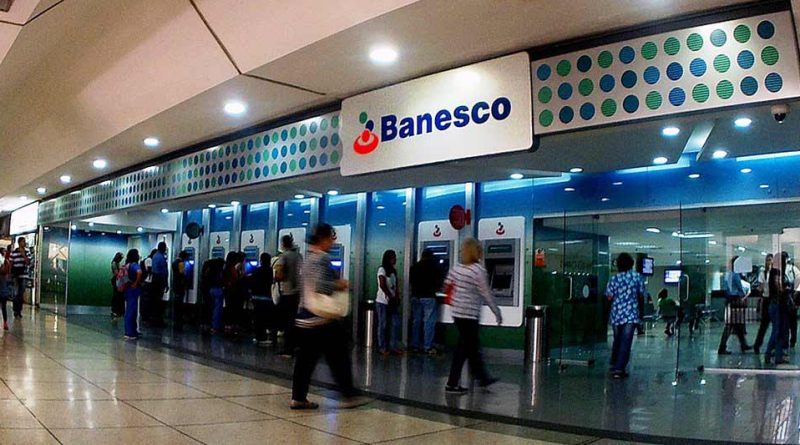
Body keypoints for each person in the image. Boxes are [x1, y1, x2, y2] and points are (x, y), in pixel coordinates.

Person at [291, 223, 368, 410]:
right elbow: (321, 285)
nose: (333, 243)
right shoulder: (322, 258)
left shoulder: (307, 258)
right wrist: (339, 284)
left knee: (305, 361)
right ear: (323, 239)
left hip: (304, 318)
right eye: (331, 239)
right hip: (320, 319)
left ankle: (298, 398)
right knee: (339, 355)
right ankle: (349, 394)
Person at [444, 237, 502, 394]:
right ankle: (473, 379)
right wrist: (496, 311)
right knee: (469, 348)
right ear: (476, 252)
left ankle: (476, 379)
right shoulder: (478, 271)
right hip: (469, 315)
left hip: (457, 313)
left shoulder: (456, 269)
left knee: (466, 347)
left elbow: (447, 286)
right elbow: (486, 293)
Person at [605, 252, 646, 379]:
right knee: (626, 341)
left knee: (617, 339)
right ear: (631, 264)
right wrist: (641, 313)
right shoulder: (637, 277)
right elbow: (641, 296)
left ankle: (614, 363)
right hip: (631, 313)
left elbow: (609, 297)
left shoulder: (614, 279)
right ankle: (619, 368)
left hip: (616, 313)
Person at [410, 248, 444, 354]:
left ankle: (415, 345)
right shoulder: (434, 267)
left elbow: (411, 281)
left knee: (416, 321)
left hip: (415, 296)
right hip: (428, 296)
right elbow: (440, 281)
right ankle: (427, 346)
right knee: (428, 321)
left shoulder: (414, 267)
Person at [275, 235, 302, 357]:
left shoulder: (284, 256)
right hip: (297, 292)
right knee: (294, 319)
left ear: (283, 244)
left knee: (286, 321)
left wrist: (276, 276)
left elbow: (280, 275)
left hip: (287, 292)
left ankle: (288, 349)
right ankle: (296, 345)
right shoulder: (298, 256)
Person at [718, 256, 752, 355]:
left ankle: (743, 344)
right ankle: (722, 347)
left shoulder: (728, 275)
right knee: (731, 325)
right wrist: (743, 297)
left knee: (736, 324)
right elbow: (740, 288)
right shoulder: (736, 275)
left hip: (729, 300)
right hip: (736, 300)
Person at [376, 249, 402, 355]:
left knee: (395, 323)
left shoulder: (393, 271)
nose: (395, 259)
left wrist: (396, 296)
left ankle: (393, 346)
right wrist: (390, 296)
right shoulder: (382, 270)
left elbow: (396, 286)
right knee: (383, 324)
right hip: (382, 301)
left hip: (392, 301)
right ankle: (382, 347)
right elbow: (382, 284)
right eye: (393, 257)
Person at [248, 252, 275, 346]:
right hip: (266, 297)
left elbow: (251, 281)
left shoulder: (256, 270)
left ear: (261, 260)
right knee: (265, 318)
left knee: (257, 318)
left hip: (256, 297)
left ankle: (258, 337)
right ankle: (263, 337)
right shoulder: (270, 271)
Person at [766, 267, 789, 364]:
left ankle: (775, 355)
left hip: (775, 306)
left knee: (778, 332)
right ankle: (772, 354)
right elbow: (780, 290)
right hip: (777, 306)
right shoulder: (775, 285)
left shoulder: (772, 284)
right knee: (777, 332)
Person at [753, 254, 775, 354]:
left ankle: (774, 346)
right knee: (764, 325)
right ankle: (757, 345)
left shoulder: (776, 273)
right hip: (766, 299)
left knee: (775, 325)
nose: (768, 262)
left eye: (770, 260)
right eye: (767, 260)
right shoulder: (763, 273)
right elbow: (761, 287)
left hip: (774, 299)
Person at [121, 249, 144, 340]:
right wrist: (136, 282)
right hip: (134, 290)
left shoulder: (127, 265)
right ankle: (131, 332)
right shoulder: (134, 265)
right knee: (133, 311)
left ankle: (129, 331)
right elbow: (139, 272)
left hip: (127, 289)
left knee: (128, 310)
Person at [781, 252, 800, 347]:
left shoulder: (792, 269)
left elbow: (798, 284)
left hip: (792, 298)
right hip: (783, 299)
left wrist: (794, 298)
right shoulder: (778, 270)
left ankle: (792, 340)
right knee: (785, 321)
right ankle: (785, 340)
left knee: (792, 321)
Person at [202, 257, 226, 334]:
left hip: (210, 290)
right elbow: (221, 280)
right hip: (218, 290)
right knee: (217, 310)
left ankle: (209, 325)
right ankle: (215, 327)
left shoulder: (210, 268)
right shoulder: (219, 270)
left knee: (211, 308)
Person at [223, 251, 244, 334]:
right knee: (234, 308)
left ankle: (228, 325)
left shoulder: (226, 267)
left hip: (227, 290)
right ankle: (233, 325)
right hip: (234, 291)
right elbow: (237, 278)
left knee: (229, 307)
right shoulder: (233, 268)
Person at [9, 237, 31, 318]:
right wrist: (10, 274)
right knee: (16, 293)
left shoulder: (27, 252)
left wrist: (23, 255)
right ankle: (15, 310)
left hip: (24, 275)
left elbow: (28, 262)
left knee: (21, 293)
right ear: (19, 243)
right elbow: (11, 264)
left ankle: (19, 310)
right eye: (23, 241)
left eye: (24, 241)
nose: (24, 243)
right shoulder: (13, 253)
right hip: (16, 276)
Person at [149, 242, 169, 327]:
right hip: (159, 280)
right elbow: (164, 272)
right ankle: (158, 319)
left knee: (154, 300)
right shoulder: (161, 257)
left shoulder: (155, 256)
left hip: (154, 279)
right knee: (158, 300)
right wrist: (166, 283)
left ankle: (153, 318)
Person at [171, 251, 189, 328]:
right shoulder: (181, 263)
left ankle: (175, 318)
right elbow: (182, 274)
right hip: (180, 285)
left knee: (176, 302)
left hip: (175, 284)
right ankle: (179, 318)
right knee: (179, 302)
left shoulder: (174, 262)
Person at [110, 252, 125, 318]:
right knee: (116, 295)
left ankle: (116, 310)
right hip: (116, 279)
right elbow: (116, 273)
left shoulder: (116, 263)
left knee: (117, 295)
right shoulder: (114, 263)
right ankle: (115, 310)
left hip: (117, 279)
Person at [0, 247, 11, 330]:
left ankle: (5, 322)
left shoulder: (6, 262)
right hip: (4, 288)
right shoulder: (6, 261)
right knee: (3, 306)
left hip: (3, 288)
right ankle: (5, 322)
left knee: (3, 306)